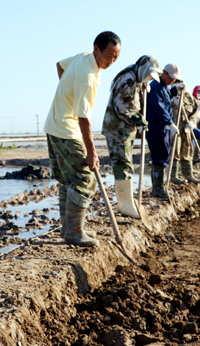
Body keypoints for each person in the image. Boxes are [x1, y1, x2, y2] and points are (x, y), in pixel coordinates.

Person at [44, 32, 121, 247]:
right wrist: (91, 152)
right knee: (85, 178)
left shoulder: (84, 56)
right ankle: (74, 232)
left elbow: (60, 66)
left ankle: (69, 228)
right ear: (97, 49)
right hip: (66, 129)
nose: (112, 61)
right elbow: (84, 118)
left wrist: (67, 91)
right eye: (109, 56)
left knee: (68, 179)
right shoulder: (87, 77)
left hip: (55, 125)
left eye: (116, 57)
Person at [101, 55, 162, 218]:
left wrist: (142, 87)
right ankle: (126, 205)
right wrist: (139, 120)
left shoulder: (133, 78)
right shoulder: (128, 80)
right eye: (148, 76)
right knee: (123, 165)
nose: (149, 79)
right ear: (143, 69)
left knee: (125, 164)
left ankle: (125, 203)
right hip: (117, 129)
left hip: (124, 129)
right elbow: (122, 107)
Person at [145, 64, 183, 200]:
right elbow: (159, 107)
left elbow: (166, 98)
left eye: (175, 79)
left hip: (163, 128)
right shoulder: (155, 86)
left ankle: (158, 187)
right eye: (171, 78)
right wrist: (170, 123)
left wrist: (174, 90)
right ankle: (159, 189)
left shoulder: (164, 86)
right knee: (159, 158)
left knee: (162, 157)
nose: (173, 80)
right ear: (164, 73)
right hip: (157, 128)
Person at [170, 84, 200, 185]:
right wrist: (173, 102)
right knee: (175, 151)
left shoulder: (189, 97)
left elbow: (196, 111)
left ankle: (188, 175)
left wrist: (192, 121)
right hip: (175, 129)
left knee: (187, 151)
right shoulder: (170, 95)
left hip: (186, 129)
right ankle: (173, 176)